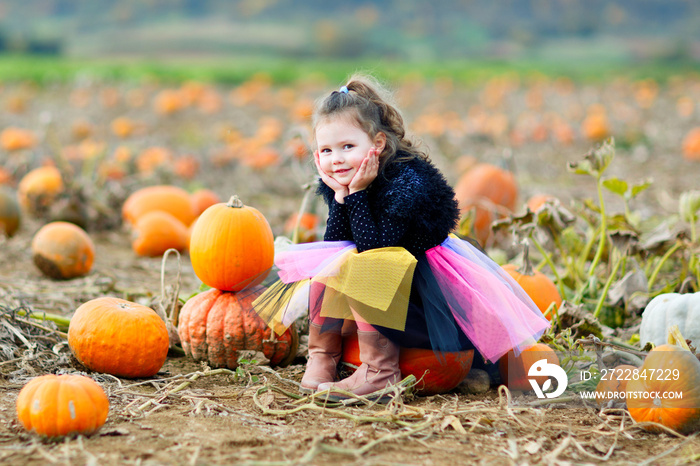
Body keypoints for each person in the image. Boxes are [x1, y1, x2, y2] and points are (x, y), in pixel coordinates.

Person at [253, 73, 550, 401]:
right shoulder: (346, 180)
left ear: (377, 143)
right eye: (326, 150)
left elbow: (378, 256)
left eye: (347, 146)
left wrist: (357, 196)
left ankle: (381, 373)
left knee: (361, 267)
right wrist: (341, 198)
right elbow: (338, 245)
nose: (335, 158)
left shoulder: (406, 187)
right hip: (388, 295)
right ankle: (323, 357)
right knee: (329, 262)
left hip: (426, 305)